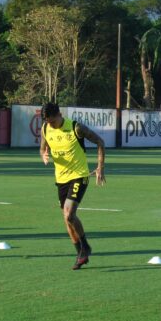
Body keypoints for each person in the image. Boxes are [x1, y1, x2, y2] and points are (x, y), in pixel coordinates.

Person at [39, 102, 106, 269]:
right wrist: (44, 155)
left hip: (79, 176)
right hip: (60, 179)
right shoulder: (46, 129)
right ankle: (81, 252)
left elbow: (100, 141)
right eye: (47, 121)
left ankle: (85, 247)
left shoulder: (76, 128)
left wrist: (100, 167)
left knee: (69, 214)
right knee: (67, 219)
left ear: (59, 114)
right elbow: (42, 149)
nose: (50, 124)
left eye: (52, 121)